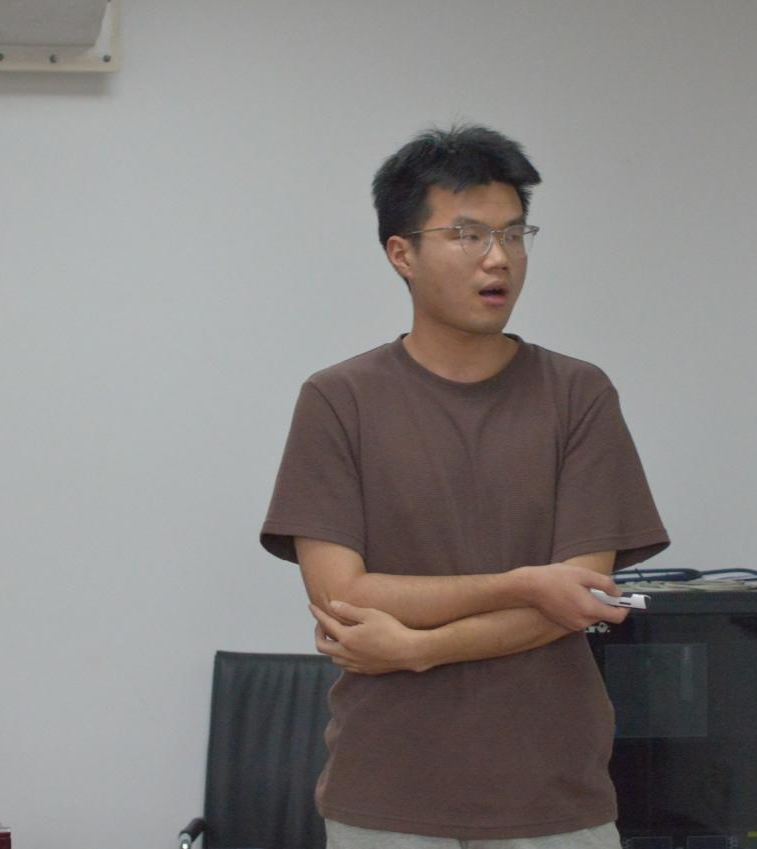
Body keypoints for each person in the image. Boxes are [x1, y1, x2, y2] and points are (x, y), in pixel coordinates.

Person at [261, 124, 669, 849]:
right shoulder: (338, 400)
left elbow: (577, 601)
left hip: (553, 796)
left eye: (514, 234)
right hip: (386, 794)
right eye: (467, 234)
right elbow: (343, 597)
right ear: (402, 253)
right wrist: (524, 582)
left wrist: (419, 647)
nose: (497, 257)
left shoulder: (578, 394)